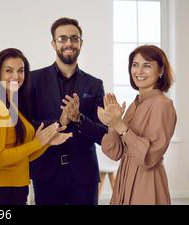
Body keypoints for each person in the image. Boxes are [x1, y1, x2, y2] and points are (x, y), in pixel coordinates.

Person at [28, 17, 107, 205]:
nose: (69, 43)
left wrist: (78, 118)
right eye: (62, 38)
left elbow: (103, 135)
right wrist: (60, 122)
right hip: (46, 173)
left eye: (74, 38)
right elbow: (27, 127)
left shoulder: (95, 85)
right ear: (53, 44)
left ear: (80, 43)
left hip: (84, 175)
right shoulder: (33, 80)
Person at [0, 48, 72, 205]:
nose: (16, 76)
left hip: (17, 189)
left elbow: (24, 157)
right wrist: (37, 143)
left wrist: (46, 143)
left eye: (21, 71)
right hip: (0, 192)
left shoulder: (13, 106)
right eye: (9, 71)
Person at [97, 45, 176, 205]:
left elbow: (150, 156)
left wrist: (120, 126)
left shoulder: (163, 104)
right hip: (124, 179)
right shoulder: (135, 104)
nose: (139, 71)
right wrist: (113, 124)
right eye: (135, 65)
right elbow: (115, 153)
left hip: (147, 182)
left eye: (147, 65)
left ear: (161, 71)